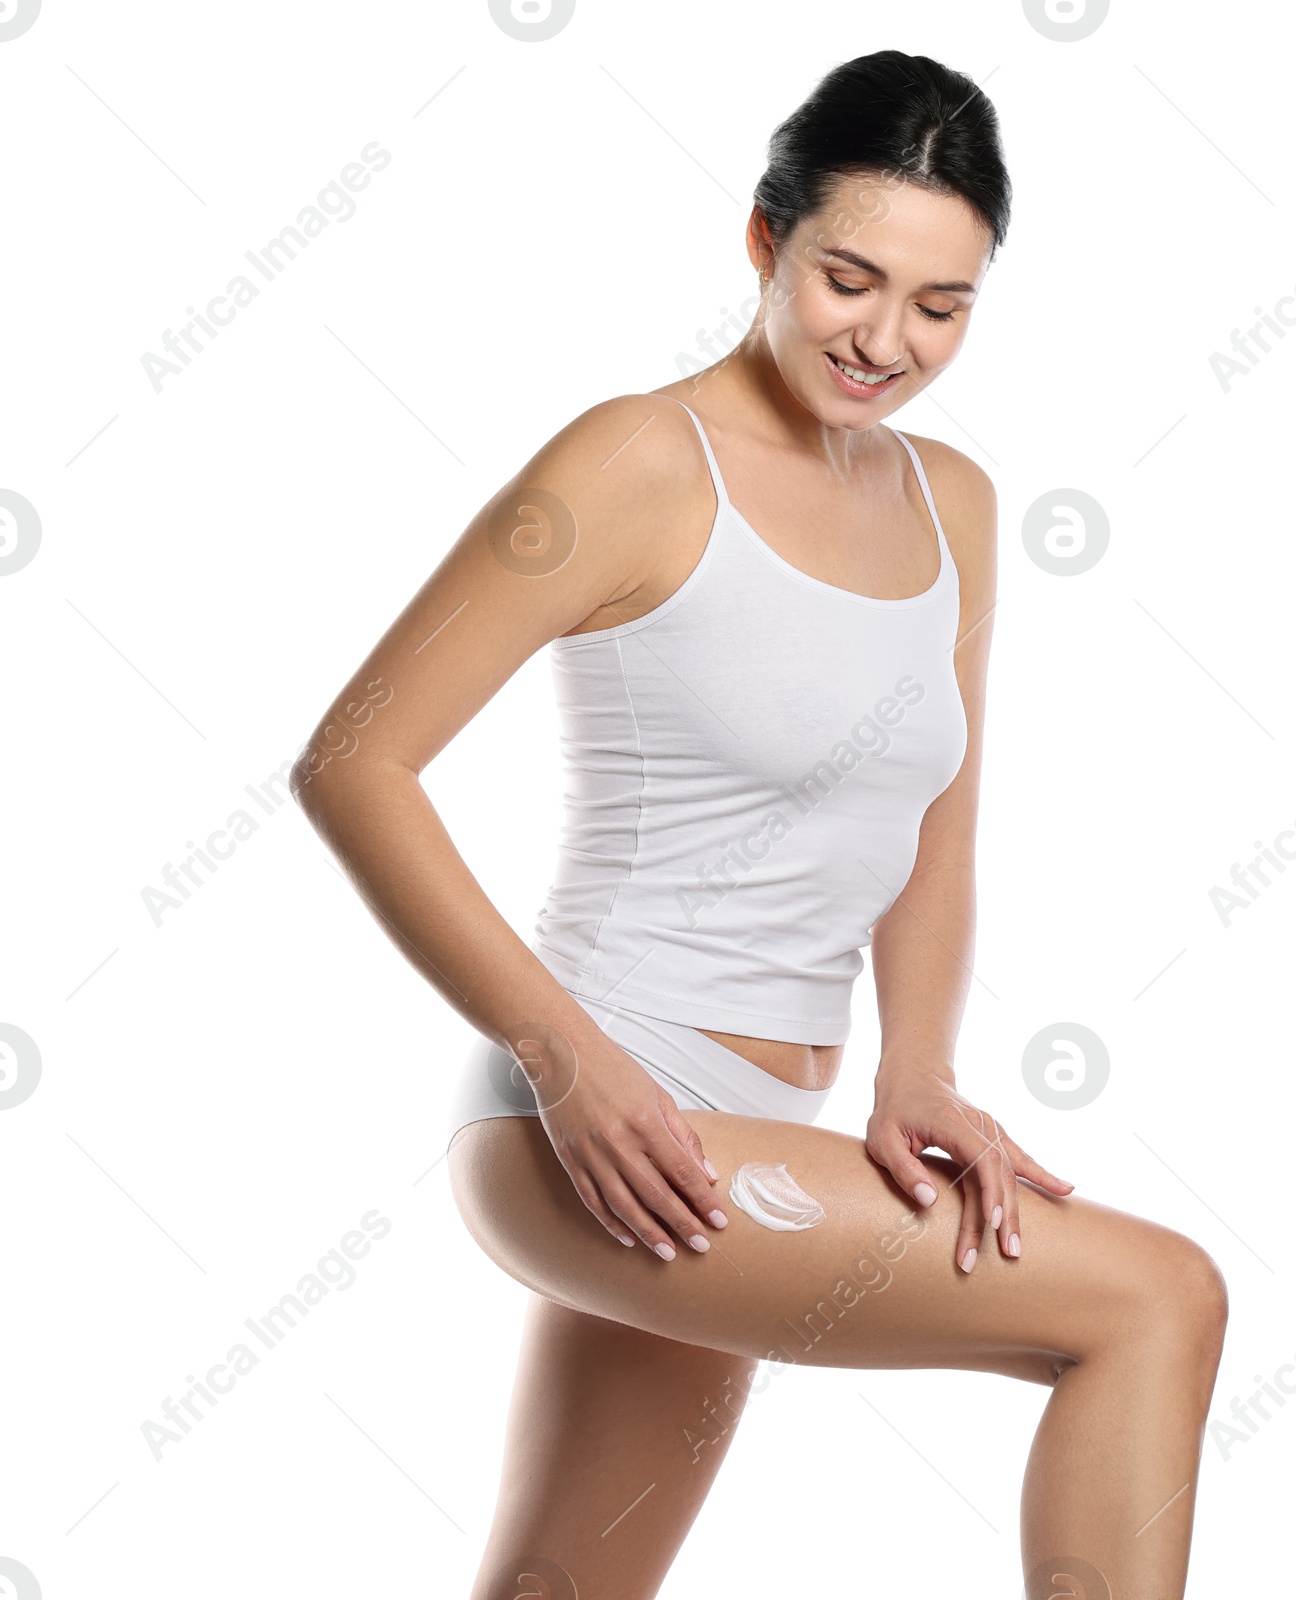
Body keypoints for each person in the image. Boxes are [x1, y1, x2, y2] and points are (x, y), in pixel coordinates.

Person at [292, 48, 1227, 1600]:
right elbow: (355, 762)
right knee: (1157, 1301)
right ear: (764, 242)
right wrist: (568, 1057)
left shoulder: (955, 503)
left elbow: (941, 818)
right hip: (594, 1115)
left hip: (758, 1128)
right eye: (850, 280)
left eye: (942, 306)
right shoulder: (639, 461)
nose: (887, 340)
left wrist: (919, 1068)